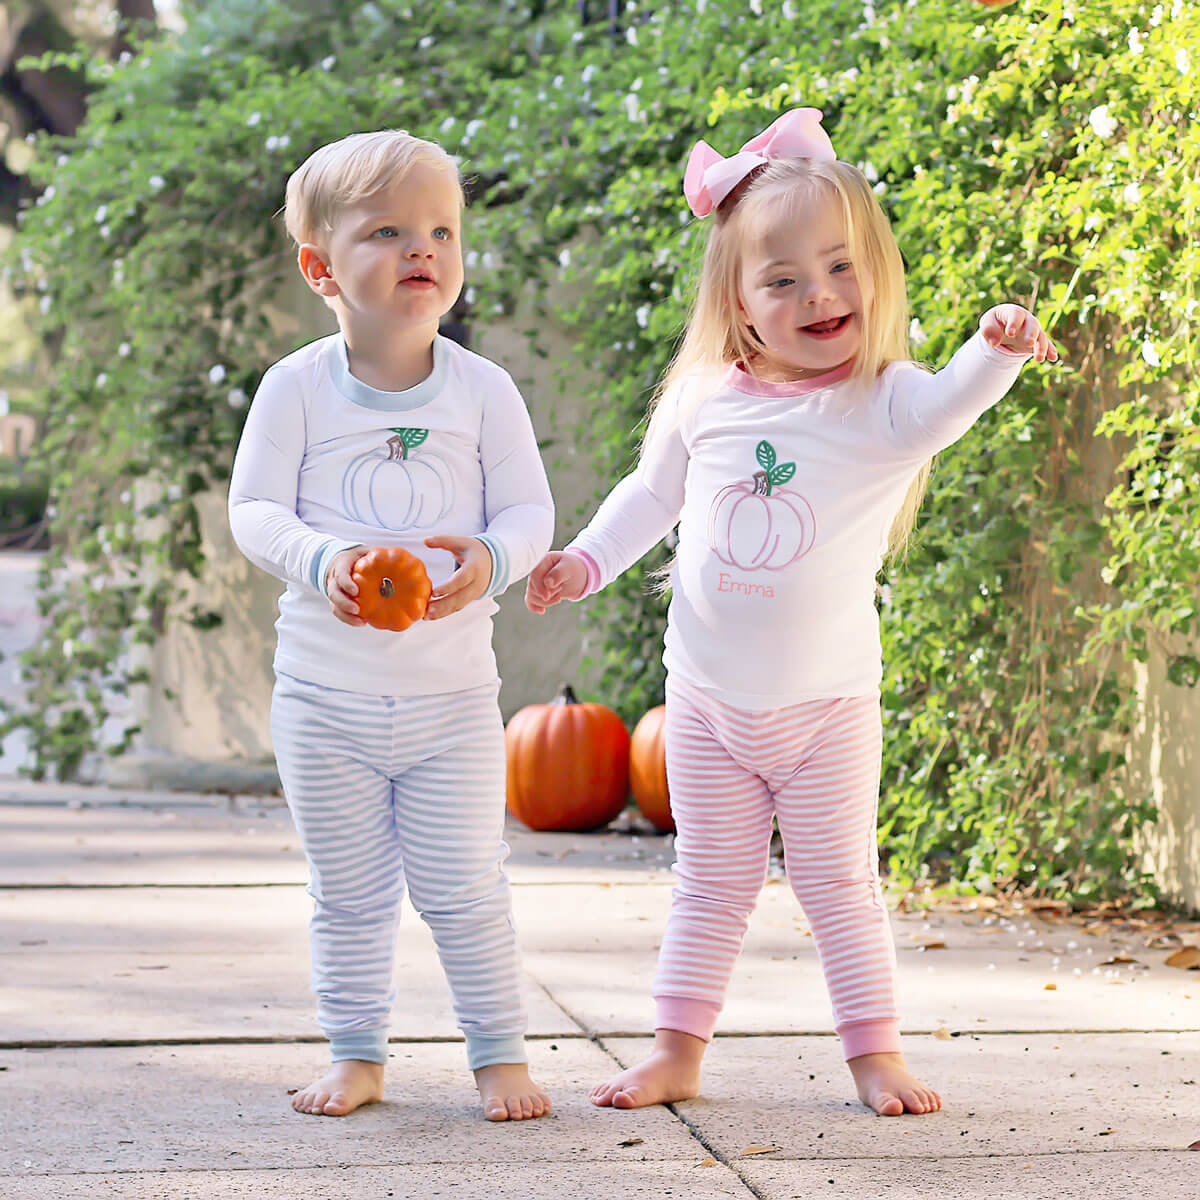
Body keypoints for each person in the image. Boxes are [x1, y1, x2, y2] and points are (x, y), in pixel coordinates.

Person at [524, 108, 1058, 1117]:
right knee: (708, 885)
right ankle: (676, 1053)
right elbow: (650, 497)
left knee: (838, 885)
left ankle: (874, 1057)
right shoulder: (703, 399)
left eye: (842, 268)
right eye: (783, 279)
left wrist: (994, 351)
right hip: (710, 704)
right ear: (739, 302)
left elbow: (950, 407)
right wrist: (584, 563)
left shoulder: (883, 400)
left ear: (876, 273)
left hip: (826, 712)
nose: (820, 294)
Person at [228, 129, 555, 1122]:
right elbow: (254, 512)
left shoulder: (481, 390)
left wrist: (489, 563)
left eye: (442, 230)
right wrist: (324, 559)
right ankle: (357, 1054)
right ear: (321, 268)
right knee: (350, 896)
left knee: (466, 890)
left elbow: (529, 516)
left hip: (452, 704)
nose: (425, 248)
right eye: (388, 231)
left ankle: (499, 1055)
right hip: (324, 705)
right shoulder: (296, 387)